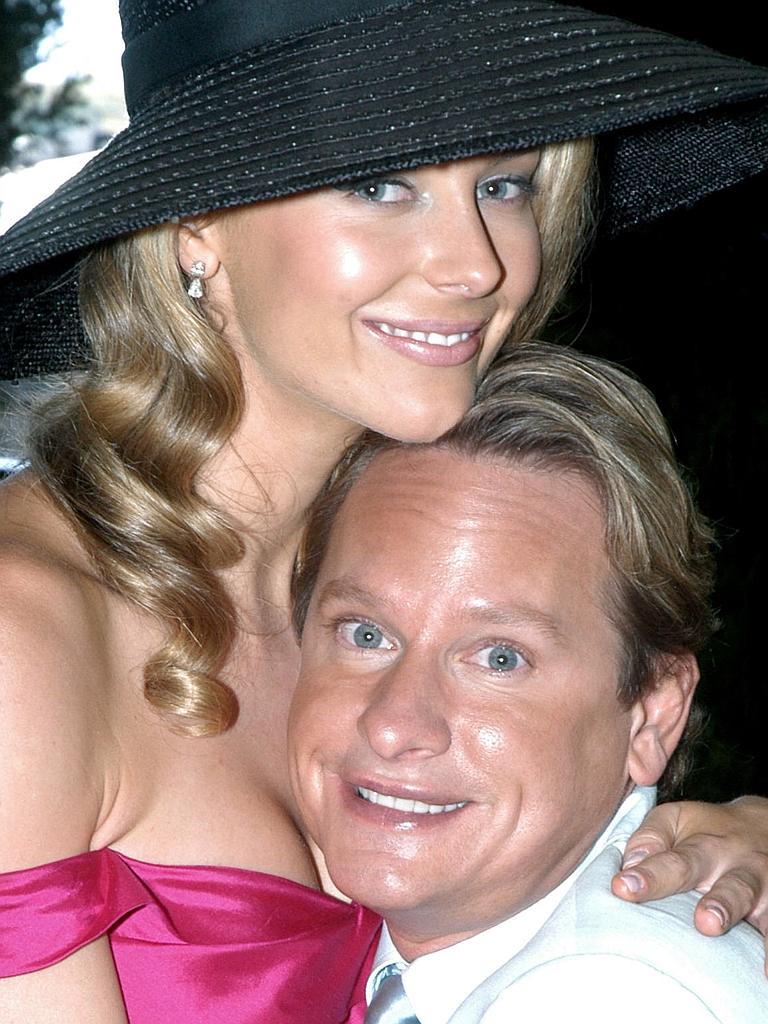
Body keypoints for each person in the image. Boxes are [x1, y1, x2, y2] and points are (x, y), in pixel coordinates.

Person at [1, 2, 768, 1022]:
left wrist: (706, 849)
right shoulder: (25, 641)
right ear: (196, 222)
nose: (476, 265)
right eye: (379, 184)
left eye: (503, 184)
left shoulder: (401, 560)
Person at [288, 342, 767, 1023]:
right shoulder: (345, 933)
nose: (394, 723)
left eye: (499, 659)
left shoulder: (615, 996)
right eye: (366, 634)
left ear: (652, 716)